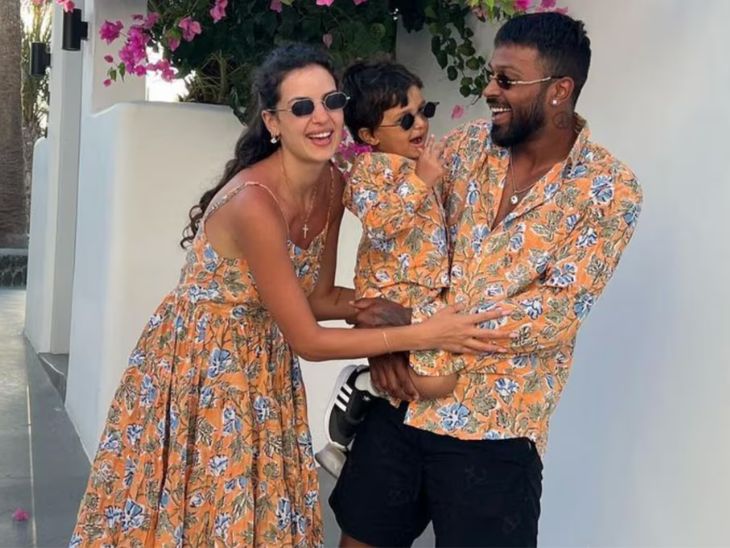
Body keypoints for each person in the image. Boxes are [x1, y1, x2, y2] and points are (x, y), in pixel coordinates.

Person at [68, 44, 508, 547]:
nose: (321, 118)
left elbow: (318, 297)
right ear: (273, 122)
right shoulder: (254, 204)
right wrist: (424, 333)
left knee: (259, 510)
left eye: (331, 102)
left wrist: (400, 312)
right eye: (301, 107)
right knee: (211, 511)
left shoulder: (333, 185)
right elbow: (309, 339)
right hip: (202, 362)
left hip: (265, 359)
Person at [329, 12, 643, 547]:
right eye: (492, 75)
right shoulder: (461, 149)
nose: (489, 90)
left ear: (559, 91)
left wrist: (410, 328)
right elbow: (395, 239)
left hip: (495, 428)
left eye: (507, 79)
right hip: (400, 402)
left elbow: (554, 313)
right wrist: (383, 338)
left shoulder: (610, 190)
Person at [315, 60, 496, 477]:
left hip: (423, 296)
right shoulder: (368, 171)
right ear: (369, 136)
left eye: (424, 111)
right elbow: (380, 224)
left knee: (430, 381)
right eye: (406, 119)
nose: (421, 124)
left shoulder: (419, 164)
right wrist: (421, 181)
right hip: (391, 294)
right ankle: (360, 386)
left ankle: (351, 433)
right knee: (435, 383)